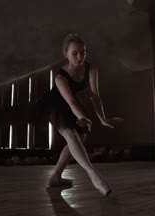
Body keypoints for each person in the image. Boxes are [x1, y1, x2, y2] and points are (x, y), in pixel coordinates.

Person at [35, 33, 123, 197]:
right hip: (55, 104)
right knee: (71, 134)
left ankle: (56, 176)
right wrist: (81, 116)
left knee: (80, 139)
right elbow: (71, 103)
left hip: (71, 103)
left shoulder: (91, 69)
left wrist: (102, 119)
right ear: (65, 54)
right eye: (74, 53)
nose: (79, 57)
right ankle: (93, 175)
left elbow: (95, 95)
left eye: (83, 52)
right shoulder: (60, 77)